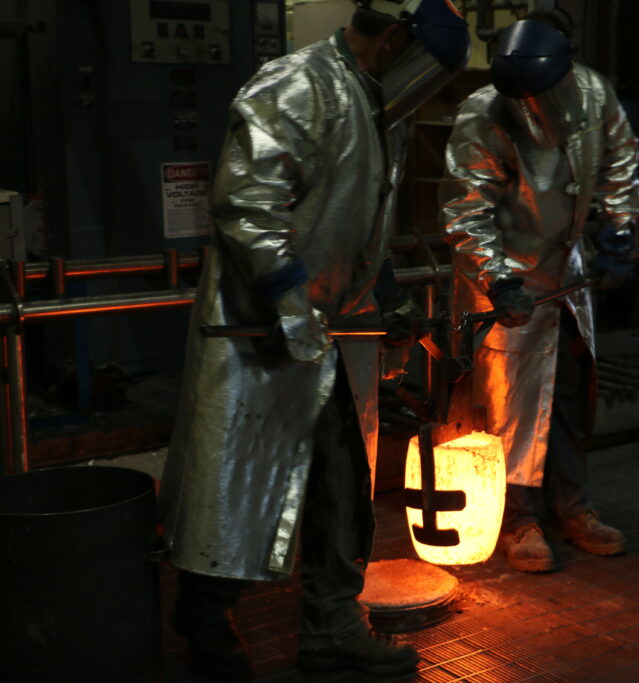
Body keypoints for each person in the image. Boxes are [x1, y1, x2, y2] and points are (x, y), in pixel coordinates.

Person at [158, 1, 469, 678]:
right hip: (257, 331)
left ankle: (331, 624)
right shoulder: (299, 85)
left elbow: (359, 217)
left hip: (323, 332)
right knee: (237, 490)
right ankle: (204, 618)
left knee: (340, 479)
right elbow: (247, 201)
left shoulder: (368, 98)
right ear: (394, 41)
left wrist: (384, 297)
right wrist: (288, 300)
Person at [440, 12, 639, 573]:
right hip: (508, 278)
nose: (532, 110)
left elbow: (621, 161)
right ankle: (517, 519)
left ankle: (572, 508)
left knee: (570, 389)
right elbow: (466, 208)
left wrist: (618, 230)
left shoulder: (593, 95)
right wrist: (498, 278)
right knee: (510, 402)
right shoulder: (484, 115)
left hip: (567, 274)